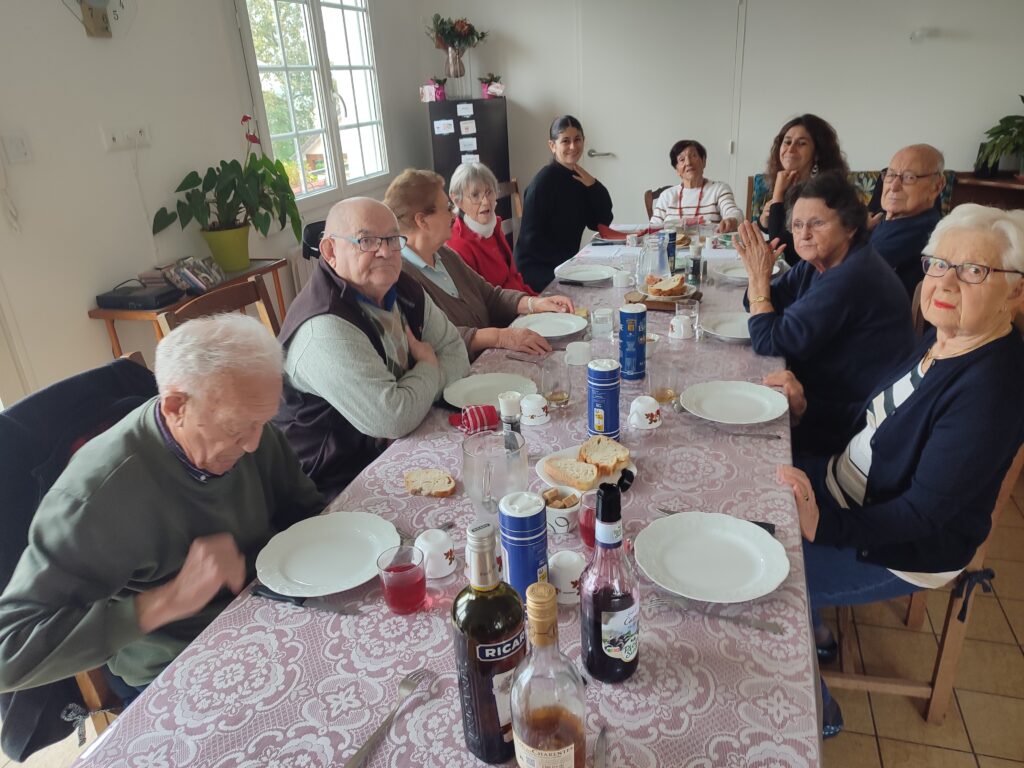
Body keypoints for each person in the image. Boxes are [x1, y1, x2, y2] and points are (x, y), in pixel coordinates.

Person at [770, 203, 1024, 738]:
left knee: (767, 579)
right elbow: (876, 419)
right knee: (748, 481)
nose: (945, 281)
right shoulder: (943, 341)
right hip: (848, 488)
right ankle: (813, 626)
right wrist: (805, 408)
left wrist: (824, 528)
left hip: (898, 543)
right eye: (936, 264)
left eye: (973, 270)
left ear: (1016, 291)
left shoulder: (992, 389)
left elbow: (921, 514)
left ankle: (815, 709)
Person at [0, 314, 325, 695]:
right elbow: (9, 653)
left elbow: (305, 511)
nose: (254, 443)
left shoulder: (251, 425)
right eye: (237, 428)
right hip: (177, 663)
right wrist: (167, 600)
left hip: (270, 605)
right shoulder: (95, 497)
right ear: (175, 407)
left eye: (263, 421)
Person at [274, 197, 469, 498]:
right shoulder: (323, 327)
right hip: (330, 487)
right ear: (330, 251)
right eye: (366, 240)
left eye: (392, 239)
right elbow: (393, 418)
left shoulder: (403, 288)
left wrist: (411, 399)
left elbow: (457, 354)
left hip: (393, 450)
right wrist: (428, 365)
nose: (385, 252)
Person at [736, 173, 915, 455]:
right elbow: (764, 303)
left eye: (817, 223)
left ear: (850, 227)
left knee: (740, 437)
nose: (804, 234)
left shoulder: (851, 275)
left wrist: (759, 280)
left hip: (851, 426)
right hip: (824, 399)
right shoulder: (820, 262)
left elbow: (770, 340)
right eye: (797, 225)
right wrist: (760, 285)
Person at [384, 169, 574, 360]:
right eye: (448, 208)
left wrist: (535, 303)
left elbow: (490, 296)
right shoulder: (399, 277)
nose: (454, 214)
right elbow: (433, 338)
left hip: (488, 358)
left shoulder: (445, 255)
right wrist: (499, 337)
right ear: (422, 220)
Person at [514, 115, 614, 291]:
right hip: (538, 271)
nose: (573, 147)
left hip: (565, 266)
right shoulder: (543, 183)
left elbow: (601, 222)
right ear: (552, 146)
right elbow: (531, 242)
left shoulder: (579, 179)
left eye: (577, 140)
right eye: (565, 141)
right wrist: (569, 268)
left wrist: (594, 185)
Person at [758, 114, 849, 265]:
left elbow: (781, 245)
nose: (791, 149)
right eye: (787, 142)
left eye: (801, 143)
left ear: (818, 153)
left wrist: (778, 195)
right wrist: (764, 220)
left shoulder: (823, 191)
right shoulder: (786, 182)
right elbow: (775, 227)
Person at [446, 161, 536, 295]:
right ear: (457, 200)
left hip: (520, 300)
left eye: (489, 192)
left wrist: (536, 300)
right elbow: (482, 303)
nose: (486, 202)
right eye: (475, 195)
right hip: (503, 312)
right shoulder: (458, 245)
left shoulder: (493, 226)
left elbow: (514, 278)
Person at [869, 144, 946, 297]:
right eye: (890, 175)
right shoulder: (889, 220)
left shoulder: (920, 231)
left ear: (936, 187)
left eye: (909, 177)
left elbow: (842, 274)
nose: (894, 186)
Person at [649, 139, 743, 232]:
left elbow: (734, 213)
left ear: (703, 162)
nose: (688, 163)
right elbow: (653, 227)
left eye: (693, 156)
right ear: (677, 170)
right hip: (672, 246)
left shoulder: (719, 189)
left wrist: (731, 220)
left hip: (708, 245)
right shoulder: (666, 196)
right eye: (682, 159)